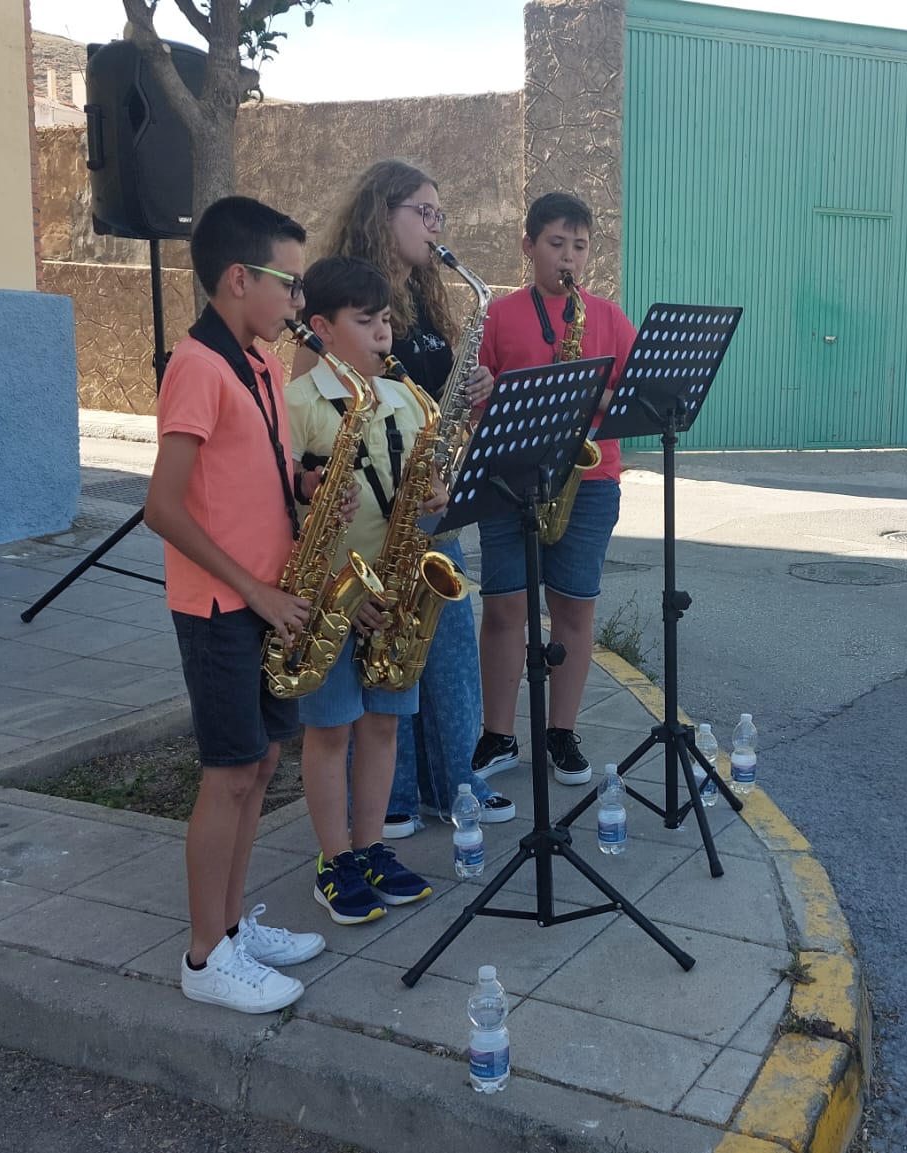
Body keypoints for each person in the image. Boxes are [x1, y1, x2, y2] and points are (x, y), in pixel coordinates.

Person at [143, 196, 327, 1014]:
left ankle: (231, 926)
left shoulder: (258, 365)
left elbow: (255, 474)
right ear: (237, 278)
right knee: (226, 773)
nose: (297, 303)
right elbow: (165, 506)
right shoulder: (198, 365)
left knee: (261, 763)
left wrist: (308, 485)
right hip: (222, 606)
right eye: (289, 284)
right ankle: (203, 953)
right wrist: (253, 587)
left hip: (268, 597)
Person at [309, 159, 517, 834]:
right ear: (382, 211)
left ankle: (453, 781)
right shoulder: (348, 292)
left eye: (439, 215)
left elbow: (437, 392)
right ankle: (389, 798)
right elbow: (321, 397)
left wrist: (473, 387)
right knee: (381, 657)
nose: (435, 227)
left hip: (430, 498)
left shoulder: (429, 297)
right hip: (376, 506)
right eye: (422, 212)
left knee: (446, 647)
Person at [283, 255, 437, 925]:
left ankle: (371, 846)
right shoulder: (298, 404)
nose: (384, 335)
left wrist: (437, 496)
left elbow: (431, 493)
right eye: (366, 321)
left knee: (382, 725)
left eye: (387, 321)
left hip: (395, 590)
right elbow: (278, 507)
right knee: (330, 732)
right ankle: (334, 857)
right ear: (320, 327)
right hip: (326, 593)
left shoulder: (408, 400)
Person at [474, 191, 636, 783]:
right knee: (504, 608)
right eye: (556, 244)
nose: (568, 257)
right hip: (509, 477)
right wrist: (484, 392)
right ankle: (497, 735)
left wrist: (592, 394)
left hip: (588, 479)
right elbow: (477, 397)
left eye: (580, 247)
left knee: (573, 607)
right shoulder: (498, 314)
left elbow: (636, 402)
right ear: (529, 246)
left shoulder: (610, 319)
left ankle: (562, 732)